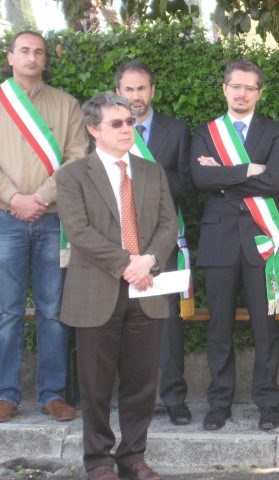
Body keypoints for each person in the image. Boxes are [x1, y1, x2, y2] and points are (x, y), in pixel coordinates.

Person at [0, 30, 88, 423]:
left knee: (53, 311)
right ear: (10, 56)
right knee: (7, 311)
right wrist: (14, 198)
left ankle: (53, 394)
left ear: (45, 59)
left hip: (53, 218)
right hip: (4, 217)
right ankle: (6, 394)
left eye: (39, 52)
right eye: (24, 51)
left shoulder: (67, 104)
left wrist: (43, 196)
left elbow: (77, 157)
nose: (32, 57)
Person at [56, 92, 177, 480]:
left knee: (141, 383)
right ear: (94, 130)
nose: (128, 129)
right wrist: (130, 264)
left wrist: (149, 260)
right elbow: (79, 232)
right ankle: (98, 460)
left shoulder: (152, 172)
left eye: (130, 122)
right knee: (95, 385)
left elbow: (168, 225)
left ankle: (133, 457)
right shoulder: (72, 175)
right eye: (117, 123)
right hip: (97, 292)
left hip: (146, 291)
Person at [191, 59, 279, 431]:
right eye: (235, 86)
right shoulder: (206, 132)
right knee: (218, 327)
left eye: (249, 87)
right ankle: (219, 402)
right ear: (224, 89)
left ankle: (268, 402)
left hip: (260, 239)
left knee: (265, 327)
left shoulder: (277, 132)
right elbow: (200, 178)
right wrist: (251, 170)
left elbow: (274, 181)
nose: (241, 93)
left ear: (259, 93)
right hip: (218, 240)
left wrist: (224, 178)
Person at [115, 60, 194, 426]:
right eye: (129, 89)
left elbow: (188, 183)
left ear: (152, 91)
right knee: (122, 321)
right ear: (118, 92)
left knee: (168, 324)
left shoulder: (175, 131)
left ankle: (174, 398)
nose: (135, 96)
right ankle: (132, 401)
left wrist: (148, 177)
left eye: (141, 88)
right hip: (119, 241)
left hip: (164, 241)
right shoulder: (107, 129)